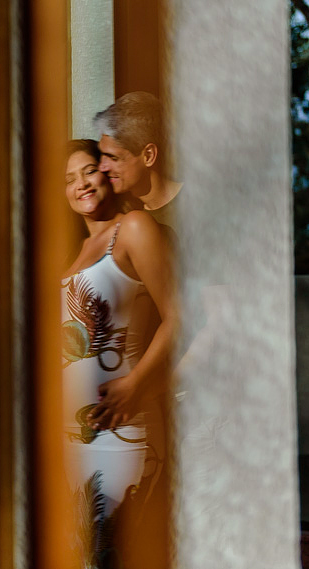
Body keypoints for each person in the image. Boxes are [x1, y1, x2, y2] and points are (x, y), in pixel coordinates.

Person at [61, 139, 178, 568]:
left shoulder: (132, 228)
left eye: (88, 170)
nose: (81, 184)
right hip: (68, 442)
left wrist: (136, 384)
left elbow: (180, 317)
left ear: (106, 173)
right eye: (69, 180)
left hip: (120, 433)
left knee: (108, 557)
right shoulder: (69, 252)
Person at [93, 92, 182, 232]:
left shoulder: (196, 207)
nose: (102, 167)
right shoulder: (118, 211)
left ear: (148, 155)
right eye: (102, 155)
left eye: (114, 158)